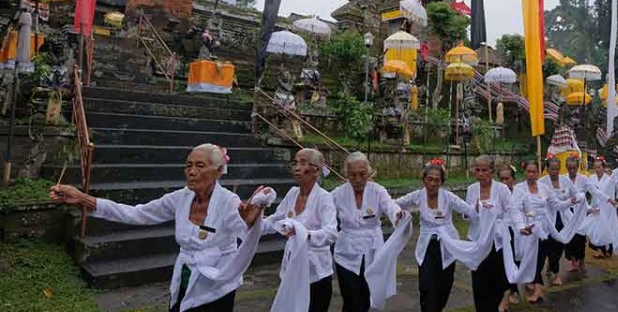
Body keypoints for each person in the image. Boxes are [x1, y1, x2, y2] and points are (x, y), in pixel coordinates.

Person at [49, 143, 270, 312]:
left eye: (199, 166)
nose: (191, 171)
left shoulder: (229, 202)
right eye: (188, 165)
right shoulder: (180, 198)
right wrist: (81, 198)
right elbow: (137, 213)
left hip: (218, 284)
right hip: (185, 275)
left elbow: (249, 229)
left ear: (218, 170)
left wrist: (251, 221)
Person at [262, 148, 338, 312]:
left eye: (303, 163)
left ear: (316, 169)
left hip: (316, 271)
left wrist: (304, 234)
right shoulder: (292, 193)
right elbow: (274, 221)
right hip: (292, 267)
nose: (296, 167)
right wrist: (252, 222)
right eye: (295, 163)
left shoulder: (324, 197)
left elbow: (331, 233)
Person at [396, 161, 476, 312]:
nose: (433, 183)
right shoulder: (418, 195)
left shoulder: (448, 197)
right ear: (424, 179)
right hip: (426, 246)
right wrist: (396, 212)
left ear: (442, 181)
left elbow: (469, 210)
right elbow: (396, 203)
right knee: (426, 285)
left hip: (447, 245)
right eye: (430, 178)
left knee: (444, 284)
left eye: (437, 179)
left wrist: (481, 208)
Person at [330, 152, 403, 312]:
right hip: (346, 252)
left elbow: (391, 206)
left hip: (373, 249)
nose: (357, 180)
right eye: (352, 175)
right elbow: (323, 210)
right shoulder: (338, 194)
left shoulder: (377, 191)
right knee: (351, 296)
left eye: (362, 174)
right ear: (346, 174)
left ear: (368, 173)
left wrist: (398, 216)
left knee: (367, 294)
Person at [511, 160, 577, 303]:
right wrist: (522, 226)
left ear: (538, 172)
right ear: (525, 172)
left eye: (534, 171)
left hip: (544, 229)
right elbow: (515, 210)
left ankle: (538, 291)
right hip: (526, 230)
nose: (532, 174)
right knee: (527, 259)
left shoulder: (545, 188)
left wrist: (571, 202)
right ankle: (530, 285)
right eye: (529, 171)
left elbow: (557, 205)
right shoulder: (519, 189)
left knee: (539, 260)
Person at [464, 156, 518, 312]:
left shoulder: (501, 189)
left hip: (497, 241)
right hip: (477, 240)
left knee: (496, 281)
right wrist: (474, 208)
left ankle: (497, 304)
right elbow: (467, 215)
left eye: (484, 170)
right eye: (477, 170)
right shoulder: (472, 189)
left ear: (492, 172)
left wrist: (521, 227)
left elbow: (513, 210)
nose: (480, 173)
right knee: (479, 281)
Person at [538, 158, 579, 286]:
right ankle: (556, 274)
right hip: (548, 219)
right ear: (547, 169)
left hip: (564, 217)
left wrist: (586, 207)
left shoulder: (566, 181)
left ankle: (552, 264)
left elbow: (576, 194)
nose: (555, 171)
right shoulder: (542, 183)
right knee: (551, 245)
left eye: (557, 169)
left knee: (560, 245)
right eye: (552, 169)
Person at [585, 158, 618, 258]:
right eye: (595, 167)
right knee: (595, 229)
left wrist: (611, 200)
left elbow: (613, 191)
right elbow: (593, 191)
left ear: (604, 168)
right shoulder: (591, 178)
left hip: (607, 207)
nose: (597, 169)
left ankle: (608, 250)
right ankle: (600, 250)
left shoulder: (609, 180)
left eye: (599, 167)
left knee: (607, 227)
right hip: (596, 207)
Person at [497, 165, 520, 309]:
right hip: (502, 232)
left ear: (513, 179)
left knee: (515, 261)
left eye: (507, 178)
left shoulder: (520, 194)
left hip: (517, 231)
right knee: (503, 262)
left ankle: (514, 289)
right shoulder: (496, 193)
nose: (505, 181)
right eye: (502, 179)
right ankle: (505, 293)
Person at [562, 156, 588, 271]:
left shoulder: (583, 179)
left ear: (577, 168)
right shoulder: (563, 179)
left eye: (574, 168)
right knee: (570, 237)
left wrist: (589, 208)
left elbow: (589, 194)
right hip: (567, 211)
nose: (572, 170)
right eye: (570, 168)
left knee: (580, 237)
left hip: (580, 211)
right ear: (567, 168)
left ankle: (581, 260)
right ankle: (573, 262)